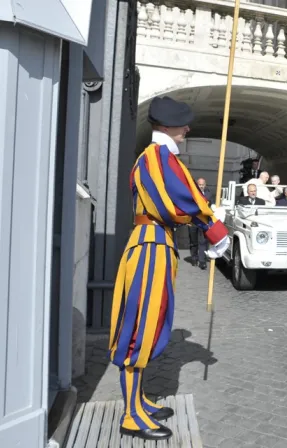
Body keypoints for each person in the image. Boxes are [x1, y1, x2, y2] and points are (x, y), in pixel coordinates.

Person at [108, 96, 230, 440]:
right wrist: (212, 225)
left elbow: (180, 197)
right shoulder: (159, 157)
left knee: (151, 322)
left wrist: (206, 216)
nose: (187, 130)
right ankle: (131, 415)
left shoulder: (156, 157)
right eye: (182, 124)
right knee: (140, 328)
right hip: (150, 246)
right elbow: (179, 197)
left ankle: (139, 401)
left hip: (155, 242)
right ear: (166, 126)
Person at [188, 178, 214, 269]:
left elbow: (212, 207)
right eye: (199, 184)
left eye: (203, 184)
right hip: (193, 221)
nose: (201, 186)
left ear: (205, 185)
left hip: (204, 222)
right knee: (193, 241)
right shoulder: (192, 194)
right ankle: (194, 258)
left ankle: (202, 261)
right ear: (197, 185)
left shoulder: (209, 195)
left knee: (203, 241)